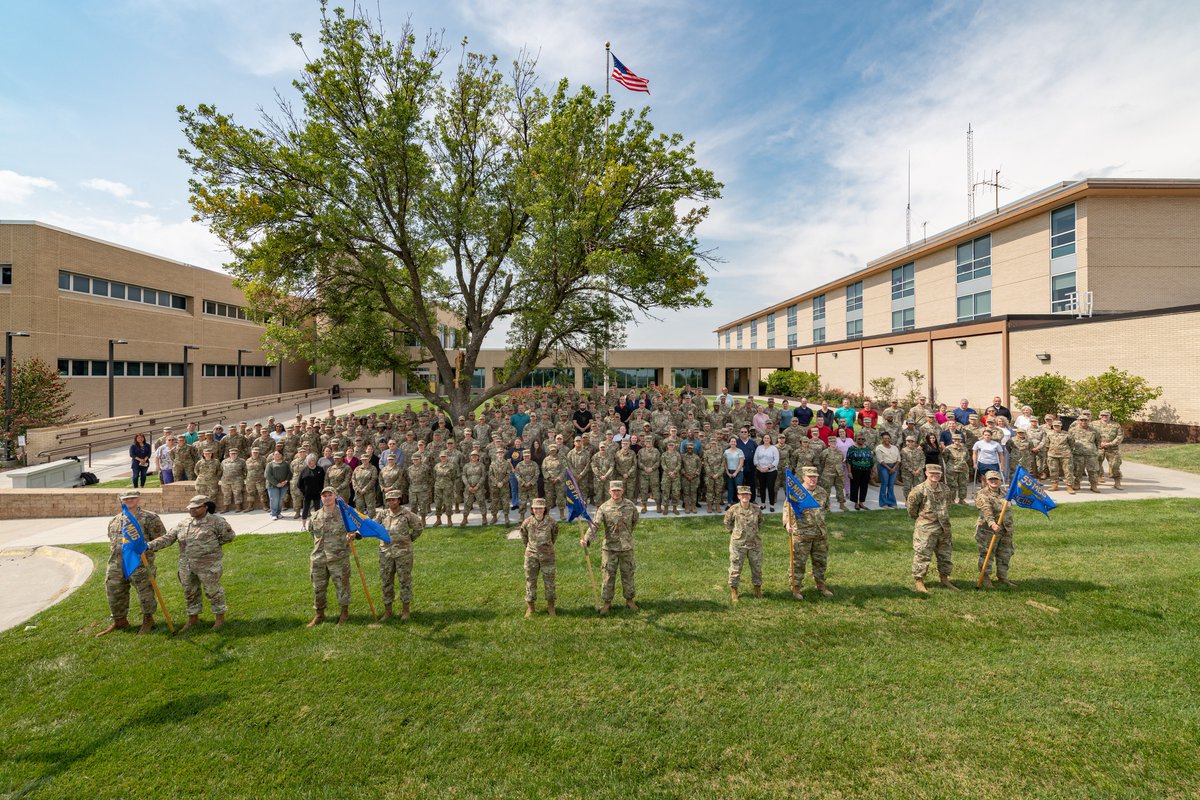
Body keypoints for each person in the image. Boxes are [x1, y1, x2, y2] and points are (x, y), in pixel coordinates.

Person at [148, 494, 236, 633]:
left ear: (205, 507)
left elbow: (229, 537)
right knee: (190, 592)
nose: (192, 510)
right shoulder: (183, 523)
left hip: (208, 565)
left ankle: (219, 619)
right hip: (186, 566)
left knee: (213, 592)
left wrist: (211, 548)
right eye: (190, 508)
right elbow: (168, 538)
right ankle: (193, 619)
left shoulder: (217, 522)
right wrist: (148, 546)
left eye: (196, 508)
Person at [97, 491, 167, 636]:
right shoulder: (115, 520)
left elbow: (161, 537)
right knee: (114, 591)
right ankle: (120, 621)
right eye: (126, 498)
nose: (129, 500)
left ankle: (148, 620)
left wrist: (148, 547)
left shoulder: (150, 517)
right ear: (121, 500)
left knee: (145, 592)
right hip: (116, 564)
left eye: (132, 498)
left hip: (140, 563)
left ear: (138, 499)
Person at [581, 480, 640, 615]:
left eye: (618, 490)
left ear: (622, 491)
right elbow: (595, 524)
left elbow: (635, 520)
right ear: (609, 492)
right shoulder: (604, 507)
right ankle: (607, 603)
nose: (616, 493)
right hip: (609, 549)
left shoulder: (630, 506)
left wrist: (626, 534)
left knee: (628, 574)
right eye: (614, 490)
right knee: (608, 576)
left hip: (626, 548)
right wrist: (586, 538)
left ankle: (630, 600)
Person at [306, 486, 356, 627]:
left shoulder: (344, 515)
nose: (327, 498)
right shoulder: (315, 515)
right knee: (318, 588)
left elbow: (354, 530)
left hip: (338, 558)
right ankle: (319, 614)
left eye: (329, 495)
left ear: (335, 496)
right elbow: (312, 533)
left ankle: (344, 613)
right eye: (324, 496)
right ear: (321, 498)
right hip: (318, 558)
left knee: (342, 586)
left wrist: (352, 536)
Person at [784, 466, 833, 599]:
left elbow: (825, 508)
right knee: (798, 562)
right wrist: (788, 523)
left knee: (820, 562)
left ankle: (821, 585)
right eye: (810, 477)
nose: (813, 479)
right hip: (802, 534)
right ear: (804, 477)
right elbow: (787, 510)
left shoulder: (822, 492)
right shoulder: (796, 492)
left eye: (815, 477)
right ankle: (796, 588)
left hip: (820, 534)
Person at [374, 489, 424, 621]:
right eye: (389, 500)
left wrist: (409, 539)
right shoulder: (383, 514)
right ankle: (388, 611)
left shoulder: (407, 514)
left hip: (403, 553)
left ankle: (405, 611)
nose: (391, 502)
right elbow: (372, 526)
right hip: (386, 553)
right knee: (386, 581)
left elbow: (418, 527)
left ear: (399, 500)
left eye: (394, 499)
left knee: (404, 581)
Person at [907, 463, 955, 594]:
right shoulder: (918, 490)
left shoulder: (945, 489)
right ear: (926, 473)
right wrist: (924, 520)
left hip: (944, 528)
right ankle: (919, 580)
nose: (935, 476)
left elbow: (948, 504)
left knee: (945, 555)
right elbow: (912, 510)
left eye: (938, 473)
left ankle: (944, 578)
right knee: (922, 554)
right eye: (932, 473)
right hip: (926, 529)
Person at [975, 471, 1017, 589]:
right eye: (990, 479)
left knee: (1005, 553)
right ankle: (985, 577)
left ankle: (1002, 576)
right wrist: (992, 523)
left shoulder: (1004, 493)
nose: (993, 481)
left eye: (996, 479)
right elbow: (986, 510)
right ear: (986, 480)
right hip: (988, 530)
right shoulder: (982, 494)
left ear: (1000, 480)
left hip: (1005, 529)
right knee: (987, 554)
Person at [520, 497, 559, 618]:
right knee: (530, 581)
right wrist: (531, 548)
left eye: (540, 508)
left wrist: (546, 548)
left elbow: (554, 535)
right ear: (532, 509)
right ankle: (531, 607)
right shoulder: (527, 522)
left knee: (550, 582)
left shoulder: (552, 522)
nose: (538, 510)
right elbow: (524, 537)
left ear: (544, 509)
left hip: (548, 556)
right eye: (536, 508)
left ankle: (551, 607)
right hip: (531, 556)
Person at [724, 485, 764, 602]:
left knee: (757, 567)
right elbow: (727, 523)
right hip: (738, 544)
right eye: (742, 495)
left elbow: (760, 522)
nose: (745, 496)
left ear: (750, 496)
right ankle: (734, 591)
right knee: (735, 567)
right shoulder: (733, 509)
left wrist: (753, 533)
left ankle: (757, 589)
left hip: (754, 544)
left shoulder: (756, 509)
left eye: (747, 494)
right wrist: (734, 533)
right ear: (738, 496)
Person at [846, 432, 875, 510]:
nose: (861, 440)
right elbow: (848, 461)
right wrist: (849, 472)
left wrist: (872, 470)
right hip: (855, 470)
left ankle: (861, 502)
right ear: (855, 439)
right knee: (855, 486)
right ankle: (856, 503)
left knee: (864, 486)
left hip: (866, 470)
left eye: (862, 439)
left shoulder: (867, 448)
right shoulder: (852, 448)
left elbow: (871, 459)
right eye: (859, 439)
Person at [1096, 410, 1124, 489]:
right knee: (1096, 465)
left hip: (1112, 449)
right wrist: (1099, 443)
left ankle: (1117, 483)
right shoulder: (1093, 424)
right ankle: (1095, 481)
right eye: (1102, 415)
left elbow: (1120, 436)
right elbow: (1091, 435)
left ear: (1110, 415)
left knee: (1115, 465)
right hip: (1098, 448)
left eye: (1106, 415)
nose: (1104, 416)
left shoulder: (1116, 425)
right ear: (1099, 415)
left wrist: (1110, 444)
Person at [753, 433, 780, 512]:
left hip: (771, 471)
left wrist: (767, 468)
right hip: (760, 470)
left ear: (770, 440)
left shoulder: (774, 448)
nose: (766, 439)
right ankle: (763, 504)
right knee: (762, 488)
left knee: (771, 488)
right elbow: (755, 459)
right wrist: (760, 468)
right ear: (763, 439)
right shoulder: (759, 448)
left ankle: (771, 505)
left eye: (768, 438)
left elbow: (776, 460)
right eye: (765, 438)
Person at [874, 432, 900, 508]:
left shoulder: (895, 447)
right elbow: (880, 460)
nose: (886, 440)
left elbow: (898, 459)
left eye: (888, 438)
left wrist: (894, 468)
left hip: (894, 466)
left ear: (890, 439)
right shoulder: (879, 447)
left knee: (891, 485)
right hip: (884, 467)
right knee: (884, 484)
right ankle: (883, 503)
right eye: (885, 438)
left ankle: (891, 502)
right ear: (882, 439)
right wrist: (889, 468)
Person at [298, 454, 326, 522]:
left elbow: (323, 481)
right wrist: (304, 491)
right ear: (307, 461)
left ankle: (318, 523)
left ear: (315, 461)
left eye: (312, 460)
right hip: (307, 494)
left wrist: (321, 491)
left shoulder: (320, 469)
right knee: (305, 509)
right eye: (309, 461)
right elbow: (299, 484)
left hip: (317, 494)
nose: (311, 462)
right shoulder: (304, 470)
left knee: (318, 510)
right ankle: (304, 525)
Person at [265, 450, 292, 520]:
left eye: (279, 454)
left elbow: (289, 473)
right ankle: (274, 514)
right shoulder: (270, 464)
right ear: (273, 456)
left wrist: (285, 481)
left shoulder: (286, 464)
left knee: (280, 500)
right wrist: (277, 483)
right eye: (275, 454)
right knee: (274, 500)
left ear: (281, 455)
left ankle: (278, 513)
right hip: (273, 486)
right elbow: (267, 475)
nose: (277, 455)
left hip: (283, 485)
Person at [723, 437, 745, 509]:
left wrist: (735, 473)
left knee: (738, 488)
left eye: (734, 441)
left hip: (738, 472)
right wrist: (727, 472)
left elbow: (741, 463)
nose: (733, 443)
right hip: (729, 471)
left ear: (736, 443)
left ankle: (740, 504)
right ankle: (729, 503)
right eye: (731, 441)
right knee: (730, 488)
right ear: (729, 443)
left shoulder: (740, 451)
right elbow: (724, 463)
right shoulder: (726, 452)